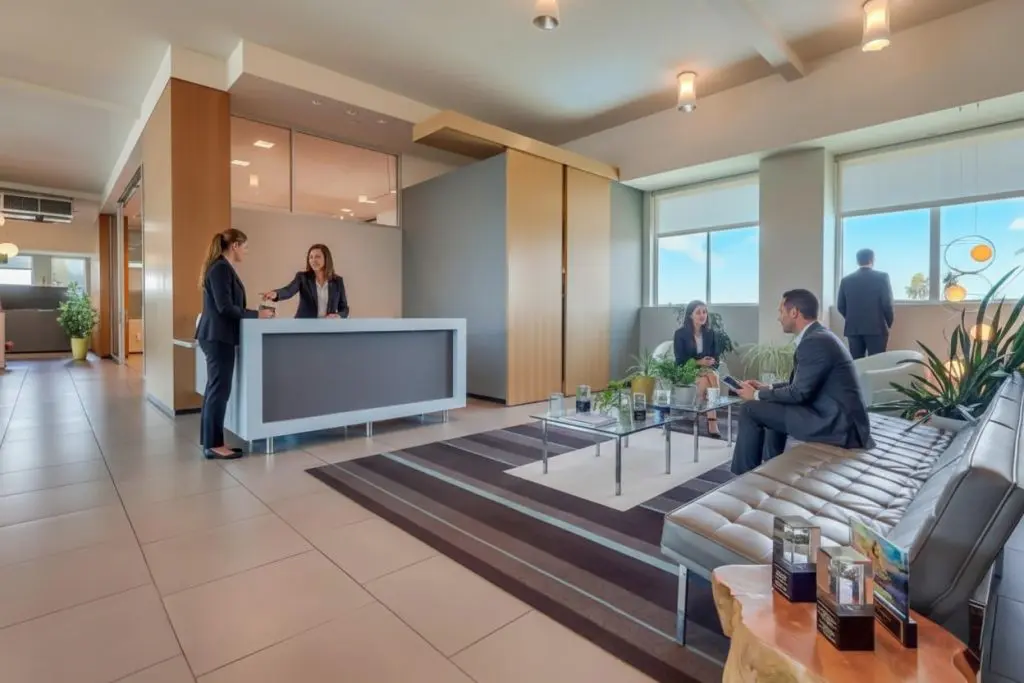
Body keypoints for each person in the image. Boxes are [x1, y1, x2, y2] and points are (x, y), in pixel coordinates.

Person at [731, 289, 872, 475]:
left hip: (837, 426)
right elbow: (801, 384)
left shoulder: (814, 342)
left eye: (780, 312)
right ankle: (770, 466)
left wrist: (756, 395)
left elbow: (798, 393)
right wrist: (768, 388)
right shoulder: (820, 336)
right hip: (835, 417)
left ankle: (742, 477)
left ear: (794, 312)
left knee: (750, 409)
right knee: (772, 401)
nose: (778, 318)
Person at [195, 228, 273, 460]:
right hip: (218, 337)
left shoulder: (222, 267)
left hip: (218, 336)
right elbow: (224, 307)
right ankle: (213, 445)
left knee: (214, 390)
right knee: (219, 391)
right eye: (245, 247)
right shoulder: (220, 268)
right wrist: (256, 315)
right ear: (235, 245)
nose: (246, 252)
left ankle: (211, 441)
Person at [674, 300, 723, 438]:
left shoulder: (710, 333)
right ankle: (713, 419)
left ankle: (698, 414)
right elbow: (680, 361)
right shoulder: (680, 334)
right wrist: (699, 362)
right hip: (687, 371)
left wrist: (711, 362)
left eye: (704, 312)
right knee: (711, 377)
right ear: (691, 315)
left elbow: (716, 358)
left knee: (707, 380)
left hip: (707, 372)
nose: (702, 315)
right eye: (698, 312)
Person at [261, 244, 349, 319]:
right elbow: (289, 290)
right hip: (303, 325)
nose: (313, 260)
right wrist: (276, 294)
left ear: (326, 259)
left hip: (327, 327)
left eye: (317, 257)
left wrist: (338, 315)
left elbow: (344, 308)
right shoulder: (302, 277)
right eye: (311, 257)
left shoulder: (338, 281)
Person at [837, 249, 894, 359]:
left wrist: (851, 318)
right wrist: (888, 323)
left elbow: (841, 306)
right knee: (877, 363)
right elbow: (887, 304)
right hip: (877, 327)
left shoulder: (846, 280)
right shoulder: (882, 277)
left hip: (853, 328)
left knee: (857, 364)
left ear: (857, 261)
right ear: (872, 260)